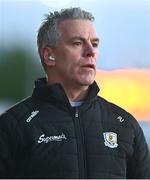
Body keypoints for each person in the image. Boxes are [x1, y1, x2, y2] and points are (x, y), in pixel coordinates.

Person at [0, 7, 149, 179]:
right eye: (77, 43)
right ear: (49, 55)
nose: (90, 52)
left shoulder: (126, 126)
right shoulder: (12, 126)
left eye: (94, 44)